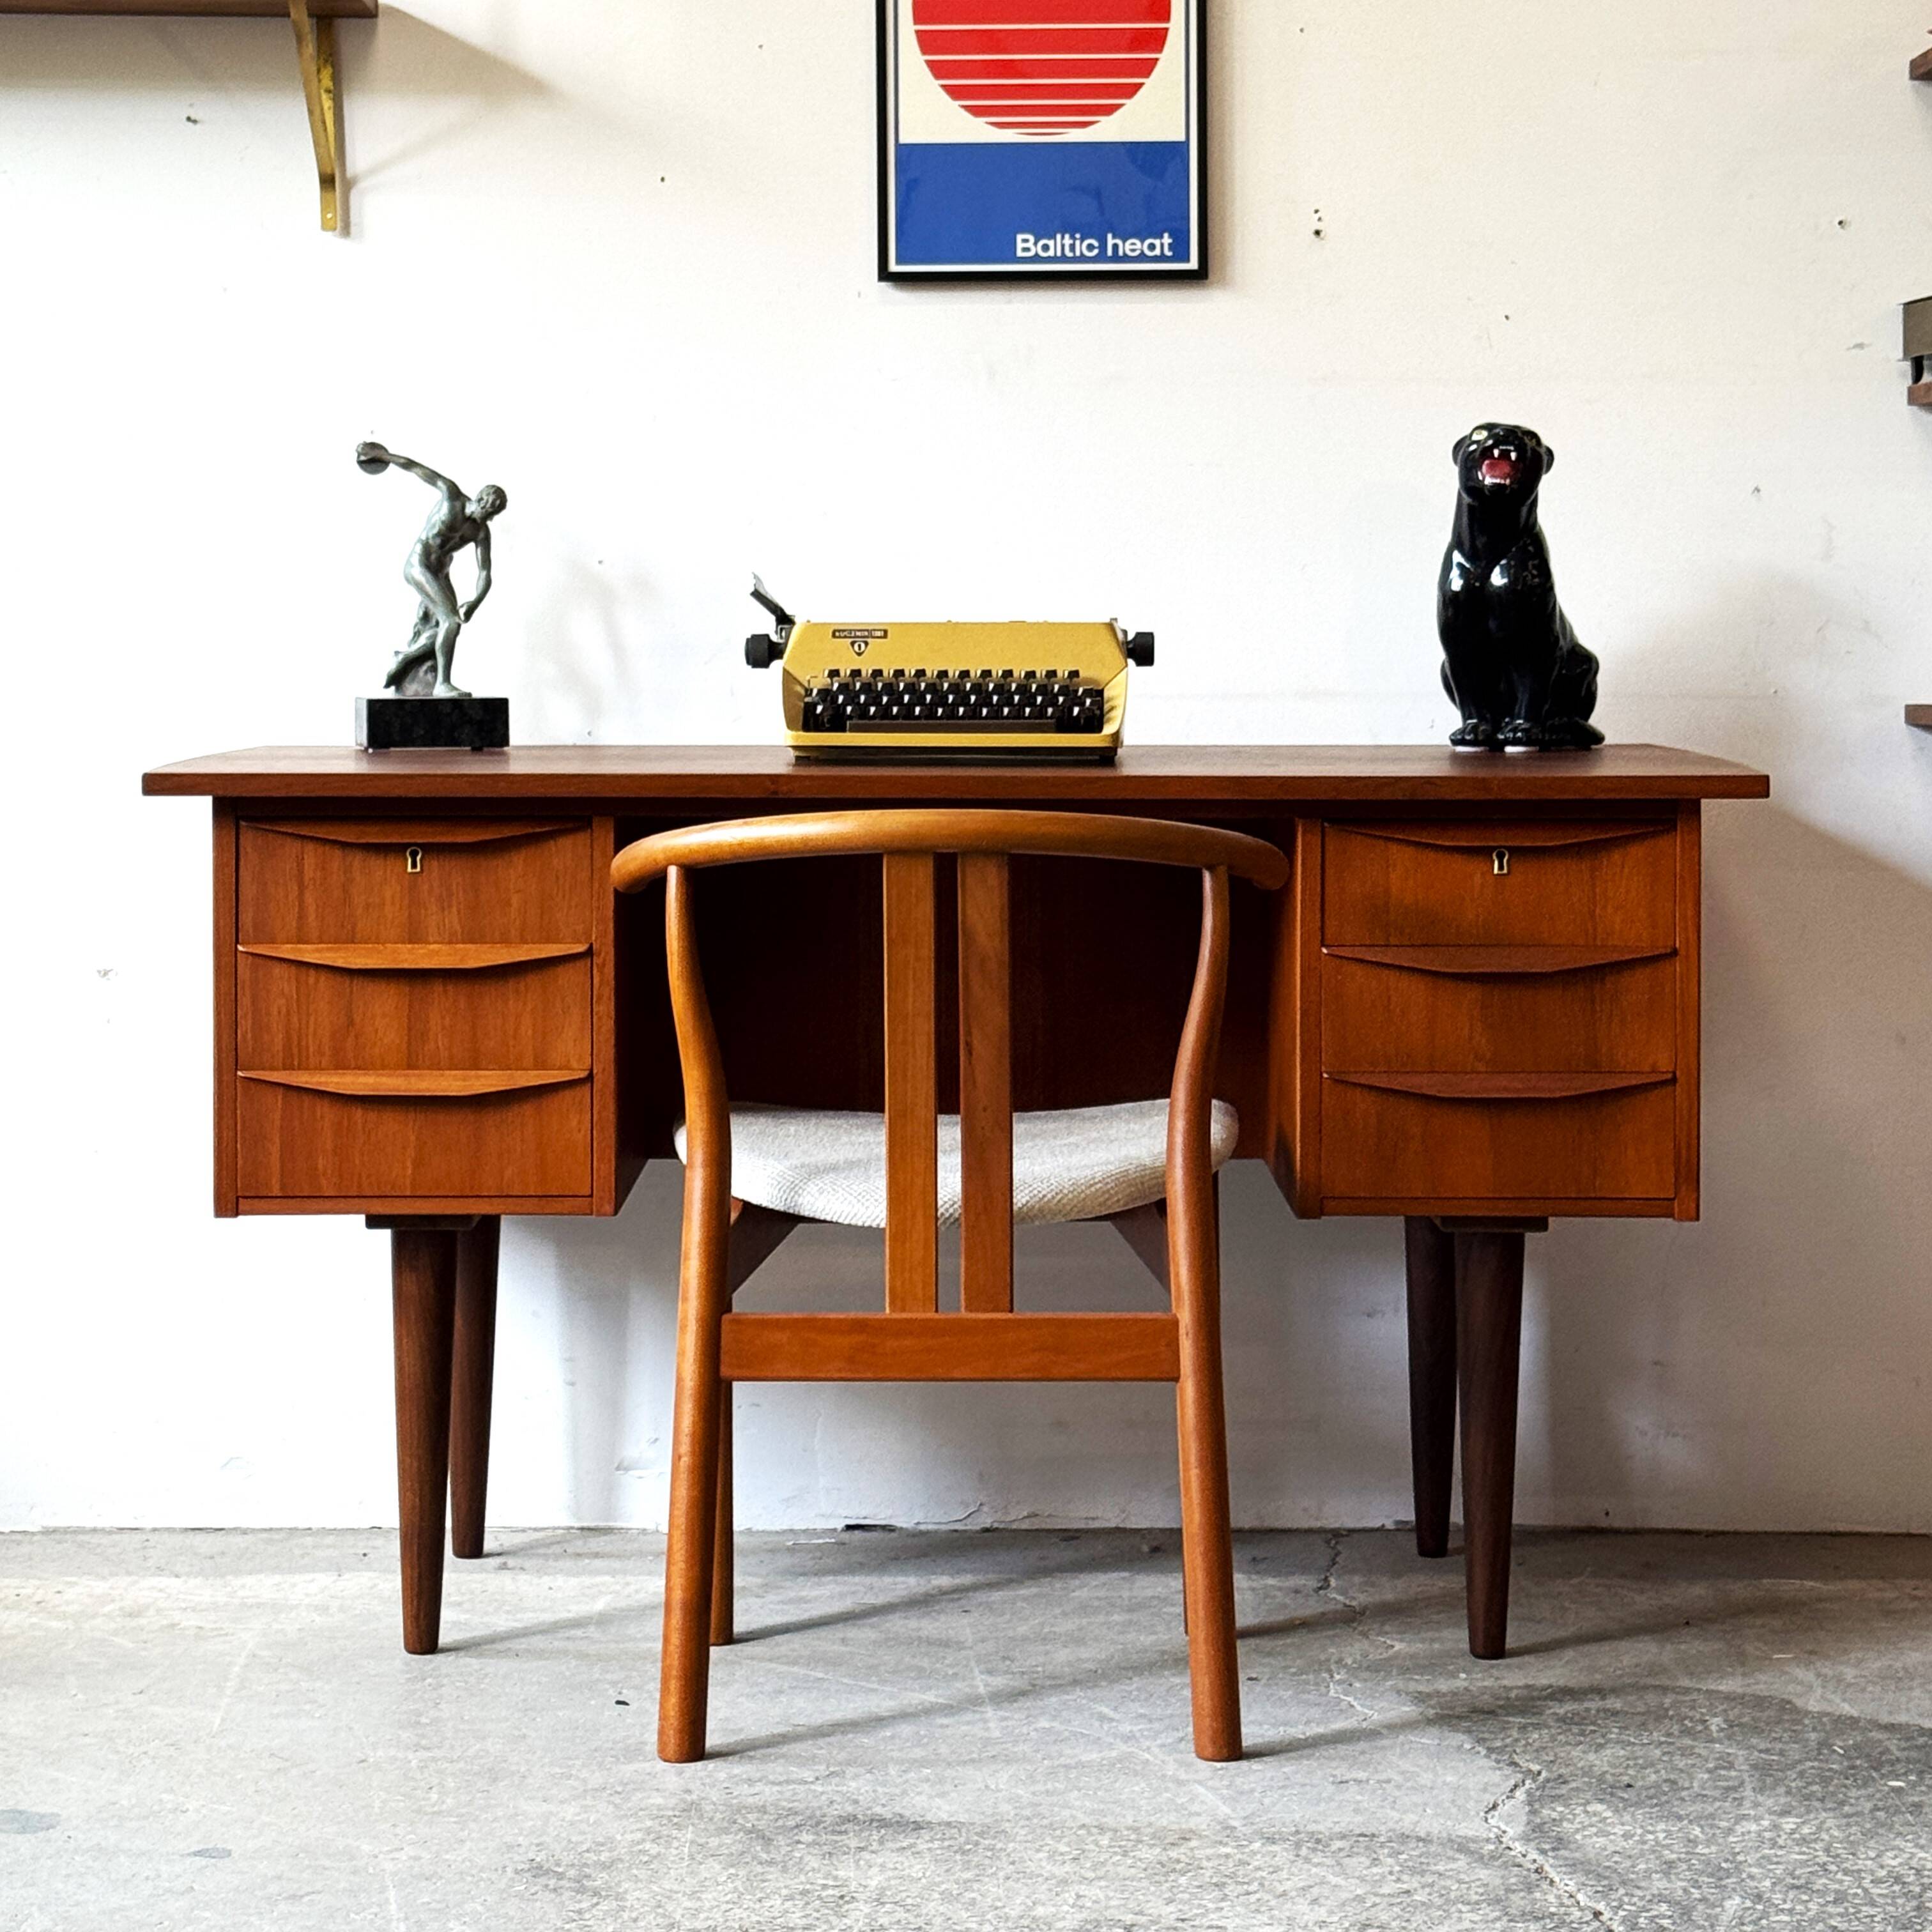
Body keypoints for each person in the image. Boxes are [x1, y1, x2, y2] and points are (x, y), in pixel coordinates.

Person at [357, 442, 507, 698]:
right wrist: (384, 456)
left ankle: (405, 658)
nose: (489, 517)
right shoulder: (452, 496)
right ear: (482, 499)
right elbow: (416, 468)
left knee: (451, 624)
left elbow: (485, 572)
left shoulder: (480, 531)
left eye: (494, 514)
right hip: (419, 565)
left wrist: (475, 602)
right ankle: (442, 685)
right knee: (449, 620)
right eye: (489, 509)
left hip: (440, 573)